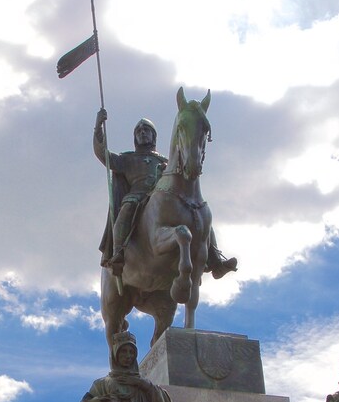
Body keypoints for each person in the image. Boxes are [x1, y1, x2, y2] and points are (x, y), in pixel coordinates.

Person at [93, 109, 236, 278]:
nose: (142, 133)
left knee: (200, 214)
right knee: (127, 208)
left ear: (154, 135)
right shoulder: (127, 158)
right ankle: (118, 254)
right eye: (139, 131)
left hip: (166, 197)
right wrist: (98, 127)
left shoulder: (166, 161)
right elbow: (103, 155)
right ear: (135, 138)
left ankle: (214, 261)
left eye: (146, 130)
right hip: (138, 196)